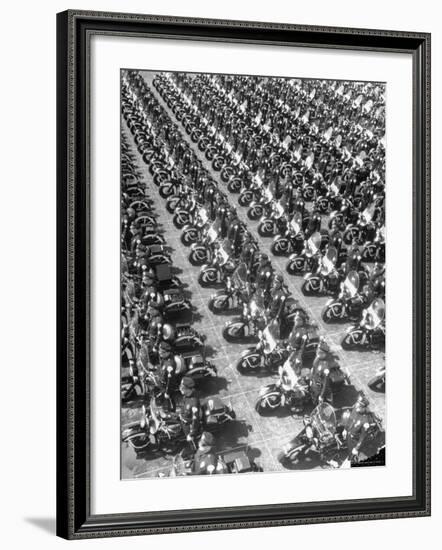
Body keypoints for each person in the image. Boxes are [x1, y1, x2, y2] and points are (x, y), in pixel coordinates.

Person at [178, 377, 201, 447]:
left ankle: (195, 452)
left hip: (188, 425)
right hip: (183, 419)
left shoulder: (193, 402)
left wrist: (191, 434)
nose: (180, 389)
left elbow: (195, 419)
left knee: (191, 442)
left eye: (182, 387)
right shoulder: (186, 395)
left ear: (188, 389)